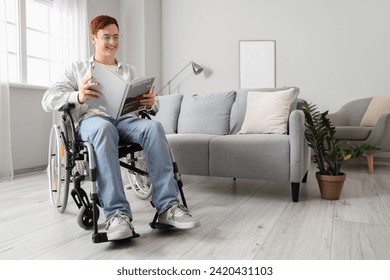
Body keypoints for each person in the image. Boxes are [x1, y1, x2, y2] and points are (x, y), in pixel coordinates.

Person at [42, 15, 200, 241]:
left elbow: (151, 104)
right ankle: (117, 214)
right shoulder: (76, 69)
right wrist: (78, 95)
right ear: (93, 38)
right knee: (104, 129)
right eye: (106, 37)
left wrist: (150, 102)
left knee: (153, 128)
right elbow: (48, 99)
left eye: (116, 37)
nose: (112, 42)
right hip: (93, 121)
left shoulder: (130, 71)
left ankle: (168, 207)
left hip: (126, 120)